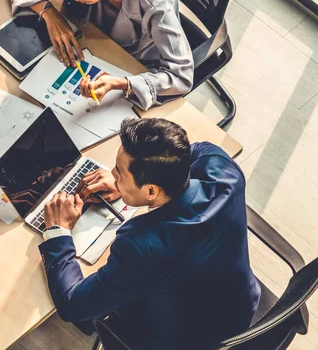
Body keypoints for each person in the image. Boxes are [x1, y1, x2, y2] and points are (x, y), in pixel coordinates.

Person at [40, 118, 261, 349]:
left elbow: (72, 305)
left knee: (87, 307)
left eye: (120, 173)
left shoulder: (142, 246)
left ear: (152, 191)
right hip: (239, 305)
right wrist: (127, 185)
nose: (112, 174)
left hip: (189, 338)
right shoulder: (222, 168)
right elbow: (187, 153)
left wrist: (58, 230)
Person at [6, 0, 194, 111]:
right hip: (91, 42)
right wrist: (49, 14)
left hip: (134, 64)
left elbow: (182, 75)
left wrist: (120, 83)